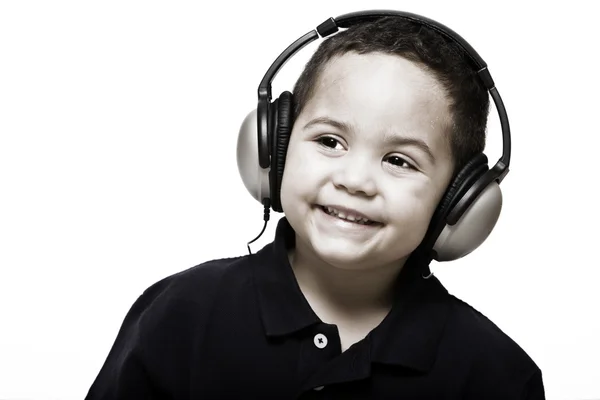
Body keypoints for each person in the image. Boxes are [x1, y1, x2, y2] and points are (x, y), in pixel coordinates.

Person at [85, 11, 545, 399]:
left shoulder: (496, 375)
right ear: (274, 148)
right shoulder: (182, 314)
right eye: (330, 141)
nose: (355, 180)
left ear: (458, 203)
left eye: (399, 160)